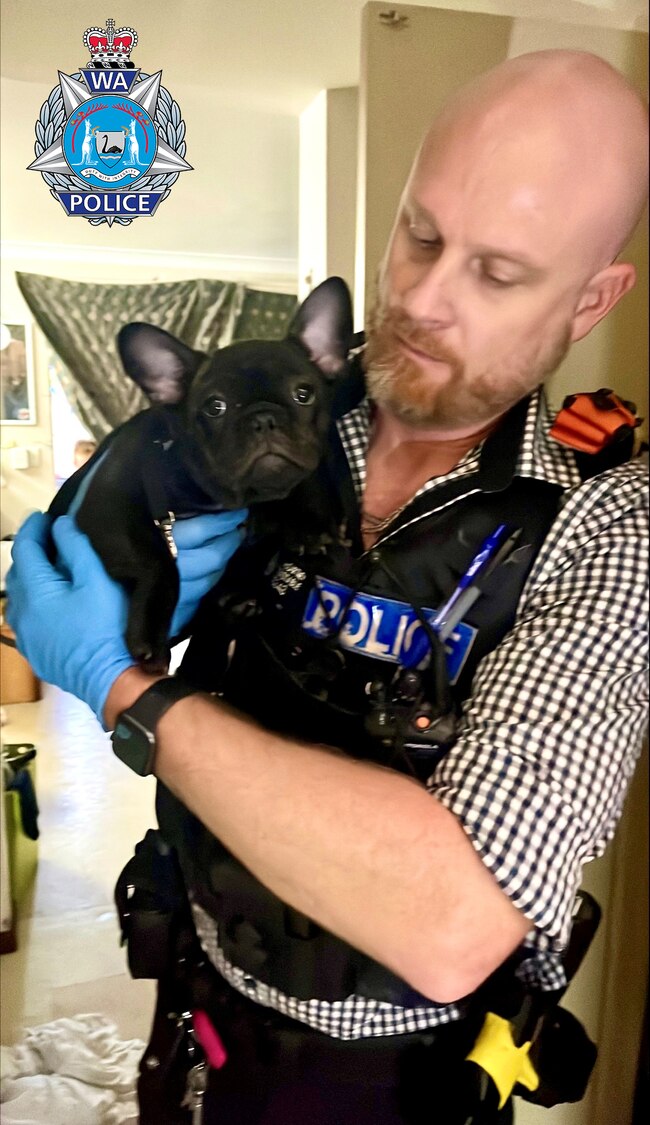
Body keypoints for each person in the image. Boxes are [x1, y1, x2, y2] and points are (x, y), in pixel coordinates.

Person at [6, 48, 648, 1124]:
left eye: (496, 273)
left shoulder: (605, 520)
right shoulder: (275, 396)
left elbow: (452, 923)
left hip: (375, 1078)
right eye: (420, 234)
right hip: (189, 982)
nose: (422, 301)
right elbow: (91, 517)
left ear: (590, 299)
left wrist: (121, 689)